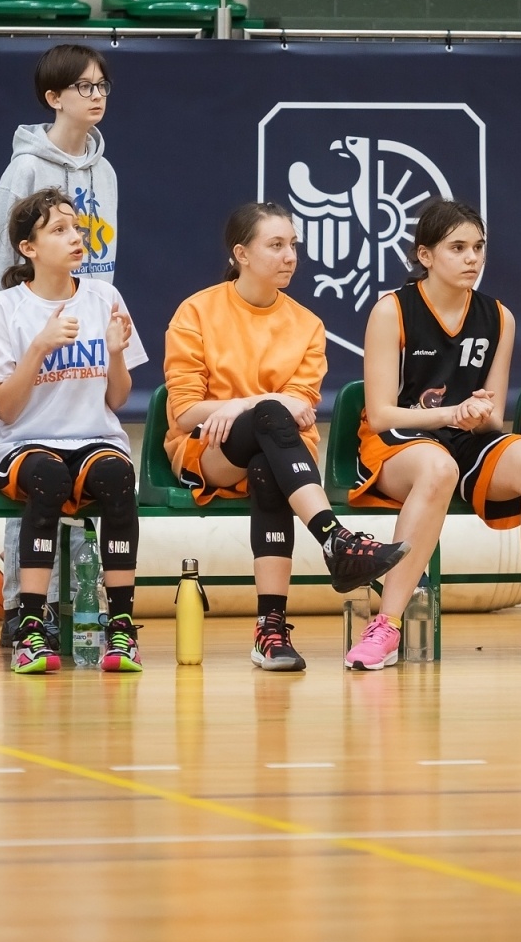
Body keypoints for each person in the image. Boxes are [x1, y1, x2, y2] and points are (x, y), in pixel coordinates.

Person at [164, 202, 408, 672]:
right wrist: (250, 404)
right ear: (241, 254)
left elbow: (299, 413)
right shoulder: (196, 311)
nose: (290, 255)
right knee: (268, 413)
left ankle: (270, 629)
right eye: (276, 245)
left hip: (279, 457)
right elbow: (186, 413)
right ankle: (334, 538)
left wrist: (245, 404)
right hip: (209, 450)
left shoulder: (307, 324)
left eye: (293, 244)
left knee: (266, 464)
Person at [347, 199, 521, 670]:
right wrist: (450, 413)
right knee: (438, 468)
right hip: (398, 440)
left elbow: (492, 418)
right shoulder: (392, 310)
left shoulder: (499, 316)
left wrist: (477, 414)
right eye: (457, 248)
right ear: (426, 255)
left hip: (463, 437)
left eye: (478, 247)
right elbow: (382, 413)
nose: (472, 258)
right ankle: (386, 624)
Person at [0, 43, 120, 648]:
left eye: (102, 84)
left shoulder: (106, 172)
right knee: (36, 462)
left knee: (89, 466)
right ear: (53, 98)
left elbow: (103, 257)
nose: (96, 95)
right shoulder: (26, 170)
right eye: (83, 86)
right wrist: (9, 329)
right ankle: (21, 606)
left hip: (84, 335)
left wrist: (100, 324)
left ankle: (77, 604)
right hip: (28, 334)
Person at [0, 189, 146, 675]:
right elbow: (5, 407)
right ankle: (30, 627)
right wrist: (39, 348)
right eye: (59, 230)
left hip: (94, 438)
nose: (75, 238)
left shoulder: (105, 298)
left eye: (77, 229)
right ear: (28, 248)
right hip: (24, 441)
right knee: (48, 478)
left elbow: (117, 399)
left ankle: (122, 627)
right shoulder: (7, 307)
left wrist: (114, 354)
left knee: (117, 478)